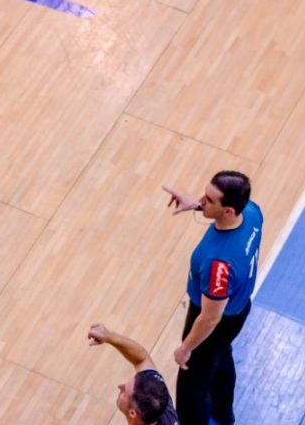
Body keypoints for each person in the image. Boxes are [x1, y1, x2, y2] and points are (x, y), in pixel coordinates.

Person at [163, 171, 262, 425]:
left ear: (227, 211)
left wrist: (186, 349)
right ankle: (223, 414)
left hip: (217, 318)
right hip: (239, 307)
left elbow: (209, 318)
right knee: (220, 356)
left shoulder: (218, 264)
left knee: (191, 386)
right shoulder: (251, 212)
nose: (201, 200)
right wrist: (196, 206)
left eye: (208, 199)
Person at [88, 324, 179, 424]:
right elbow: (142, 359)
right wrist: (109, 336)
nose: (120, 386)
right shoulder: (159, 402)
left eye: (124, 391)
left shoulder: (159, 402)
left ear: (132, 413)